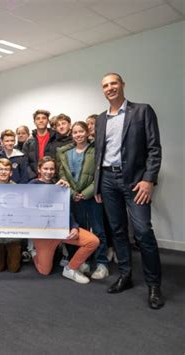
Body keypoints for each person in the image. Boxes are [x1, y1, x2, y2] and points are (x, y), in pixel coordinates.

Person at [94, 73, 164, 309]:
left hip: (135, 181)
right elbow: (99, 155)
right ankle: (125, 275)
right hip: (107, 179)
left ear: (122, 85)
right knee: (118, 230)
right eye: (105, 85)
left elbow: (154, 148)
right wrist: (98, 185)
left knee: (143, 232)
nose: (110, 88)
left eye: (113, 83)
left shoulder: (142, 111)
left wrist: (149, 180)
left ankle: (154, 285)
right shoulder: (101, 119)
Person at [30, 157, 99, 284]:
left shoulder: (60, 185)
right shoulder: (32, 185)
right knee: (44, 271)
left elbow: (66, 210)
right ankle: (35, 253)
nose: (49, 172)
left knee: (92, 241)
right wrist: (54, 191)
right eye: (45, 168)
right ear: (39, 169)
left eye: (51, 169)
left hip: (62, 229)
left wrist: (74, 226)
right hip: (44, 234)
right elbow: (35, 207)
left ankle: (70, 268)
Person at [57, 121, 109, 279]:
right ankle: (81, 261)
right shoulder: (66, 153)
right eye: (75, 132)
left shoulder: (96, 151)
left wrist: (86, 193)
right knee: (79, 231)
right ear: (71, 135)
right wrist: (73, 193)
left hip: (92, 196)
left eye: (81, 132)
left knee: (98, 229)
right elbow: (63, 175)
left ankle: (102, 264)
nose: (78, 135)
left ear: (87, 132)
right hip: (74, 197)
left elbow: (99, 175)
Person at [0, 158, 22, 273]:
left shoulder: (19, 190)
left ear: (11, 173)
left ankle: (20, 253)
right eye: (0, 169)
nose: (3, 172)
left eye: (6, 169)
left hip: (13, 235)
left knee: (14, 269)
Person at [22, 109, 59, 181]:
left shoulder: (56, 138)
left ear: (48, 121)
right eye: (38, 119)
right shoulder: (28, 142)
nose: (41, 120)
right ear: (34, 122)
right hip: (35, 180)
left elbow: (60, 162)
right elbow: (25, 162)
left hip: (53, 181)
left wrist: (54, 178)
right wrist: (33, 177)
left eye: (44, 118)